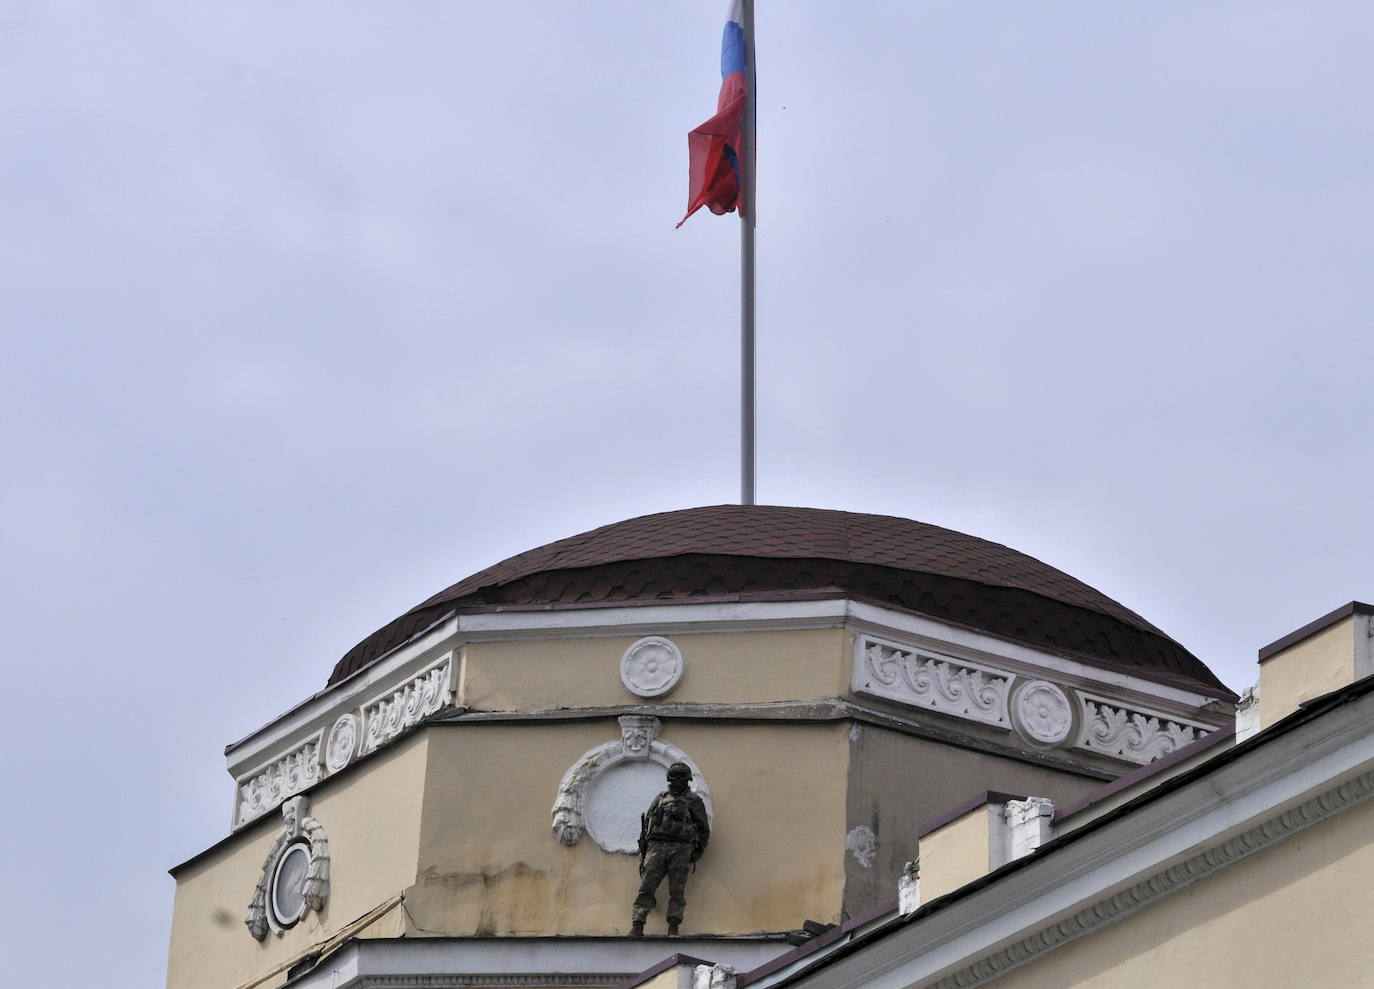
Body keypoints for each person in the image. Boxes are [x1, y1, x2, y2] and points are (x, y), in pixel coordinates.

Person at [629, 762, 709, 936]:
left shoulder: (694, 801)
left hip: (681, 848)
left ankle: (673, 926)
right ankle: (638, 923)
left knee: (677, 891)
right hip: (656, 847)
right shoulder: (660, 798)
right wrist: (644, 847)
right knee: (646, 887)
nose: (677, 780)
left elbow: (703, 830)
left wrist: (696, 853)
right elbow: (648, 824)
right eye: (674, 776)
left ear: (687, 780)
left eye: (681, 776)